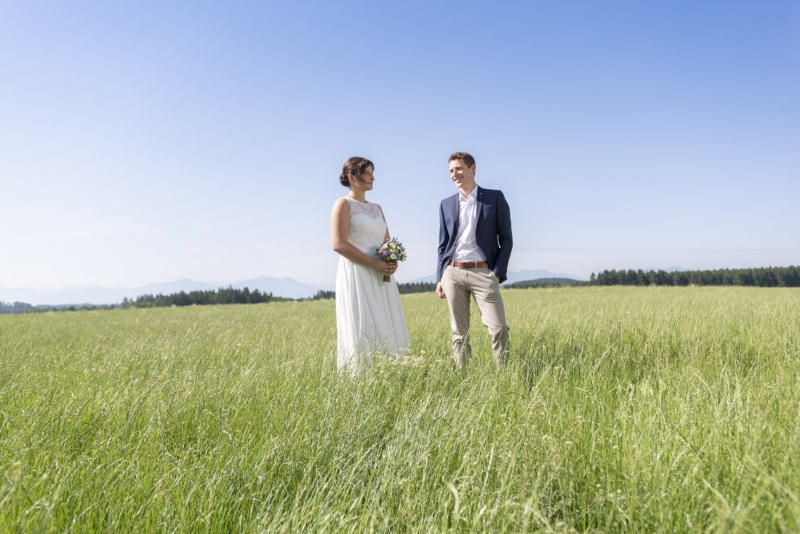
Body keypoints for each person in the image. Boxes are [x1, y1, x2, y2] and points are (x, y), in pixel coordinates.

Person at [330, 157, 410, 373]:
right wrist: (373, 264)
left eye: (372, 172)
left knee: (386, 320)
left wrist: (391, 262)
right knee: (363, 322)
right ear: (351, 177)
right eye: (366, 172)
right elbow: (338, 244)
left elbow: (387, 242)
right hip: (358, 271)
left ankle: (391, 370)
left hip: (382, 274)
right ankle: (361, 374)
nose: (372, 176)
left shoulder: (377, 208)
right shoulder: (343, 204)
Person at [436, 152, 512, 369]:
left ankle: (503, 375)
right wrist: (440, 277)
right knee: (459, 332)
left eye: (459, 168)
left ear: (472, 168)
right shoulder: (446, 204)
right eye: (451, 170)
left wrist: (496, 272)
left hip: (484, 272)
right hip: (453, 272)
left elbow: (506, 239)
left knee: (499, 328)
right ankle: (463, 377)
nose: (454, 174)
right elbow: (442, 245)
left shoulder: (494, 198)